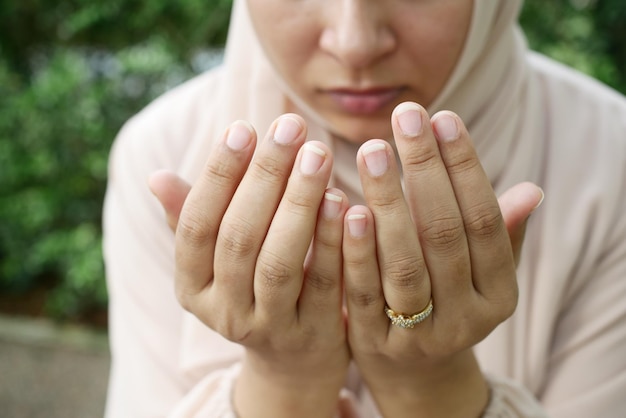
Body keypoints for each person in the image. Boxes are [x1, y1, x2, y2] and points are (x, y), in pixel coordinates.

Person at [103, 0, 626, 416]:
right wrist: (284, 378)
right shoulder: (167, 152)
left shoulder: (607, 156)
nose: (354, 45)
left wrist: (430, 380)